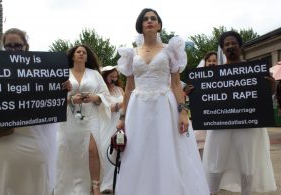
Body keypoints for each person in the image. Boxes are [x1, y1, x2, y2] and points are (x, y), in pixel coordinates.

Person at [114, 8, 209, 195]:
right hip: (137, 108)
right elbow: (128, 87)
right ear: (140, 25)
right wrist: (122, 116)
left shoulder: (170, 50)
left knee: (167, 151)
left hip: (165, 106)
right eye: (145, 19)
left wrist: (183, 112)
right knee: (138, 152)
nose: (149, 21)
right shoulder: (131, 53)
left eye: (153, 19)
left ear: (159, 25)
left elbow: (175, 85)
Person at [0, 28, 68, 195]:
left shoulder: (42, 71)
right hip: (3, 139)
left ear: (26, 47)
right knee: (3, 181)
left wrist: (61, 89)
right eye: (9, 46)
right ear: (3, 47)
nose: (13, 49)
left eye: (18, 45)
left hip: (34, 139)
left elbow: (52, 107)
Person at [202, 31, 277, 195]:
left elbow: (262, 100)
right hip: (221, 123)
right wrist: (194, 92)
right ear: (222, 49)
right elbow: (206, 98)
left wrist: (270, 89)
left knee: (247, 164)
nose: (230, 46)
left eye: (233, 43)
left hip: (248, 123)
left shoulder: (256, 72)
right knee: (216, 163)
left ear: (240, 46)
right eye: (226, 44)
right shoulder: (214, 75)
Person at [55, 44, 111, 195]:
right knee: (69, 151)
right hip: (69, 118)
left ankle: (95, 187)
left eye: (84, 52)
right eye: (78, 52)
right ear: (72, 56)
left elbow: (105, 95)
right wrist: (71, 99)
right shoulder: (63, 73)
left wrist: (94, 97)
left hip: (91, 116)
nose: (81, 54)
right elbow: (55, 98)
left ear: (87, 57)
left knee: (93, 150)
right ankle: (69, 187)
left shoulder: (94, 74)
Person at [98, 65, 124, 194]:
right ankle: (106, 182)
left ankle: (118, 180)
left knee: (120, 151)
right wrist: (121, 105)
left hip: (120, 123)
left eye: (115, 76)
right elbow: (105, 109)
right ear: (105, 77)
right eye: (111, 76)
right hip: (107, 123)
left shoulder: (120, 89)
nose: (114, 78)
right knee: (106, 149)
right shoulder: (102, 91)